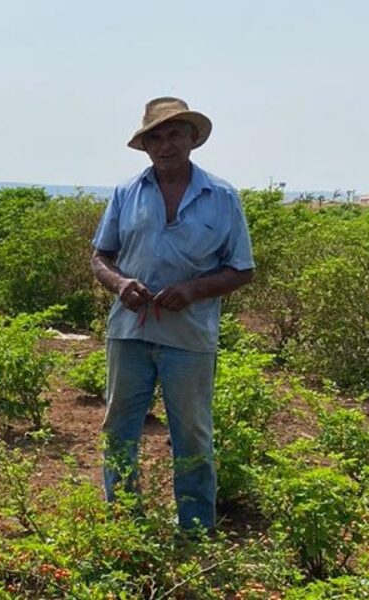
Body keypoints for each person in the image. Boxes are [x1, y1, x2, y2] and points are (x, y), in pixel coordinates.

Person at [90, 97, 255, 531]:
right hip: (129, 332)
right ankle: (124, 524)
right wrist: (120, 284)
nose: (166, 145)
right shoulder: (126, 193)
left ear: (192, 139)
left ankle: (196, 529)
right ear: (145, 146)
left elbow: (242, 269)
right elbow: (101, 257)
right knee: (119, 430)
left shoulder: (221, 196)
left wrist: (192, 290)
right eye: (156, 138)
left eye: (174, 135)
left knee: (193, 434)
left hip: (190, 337)